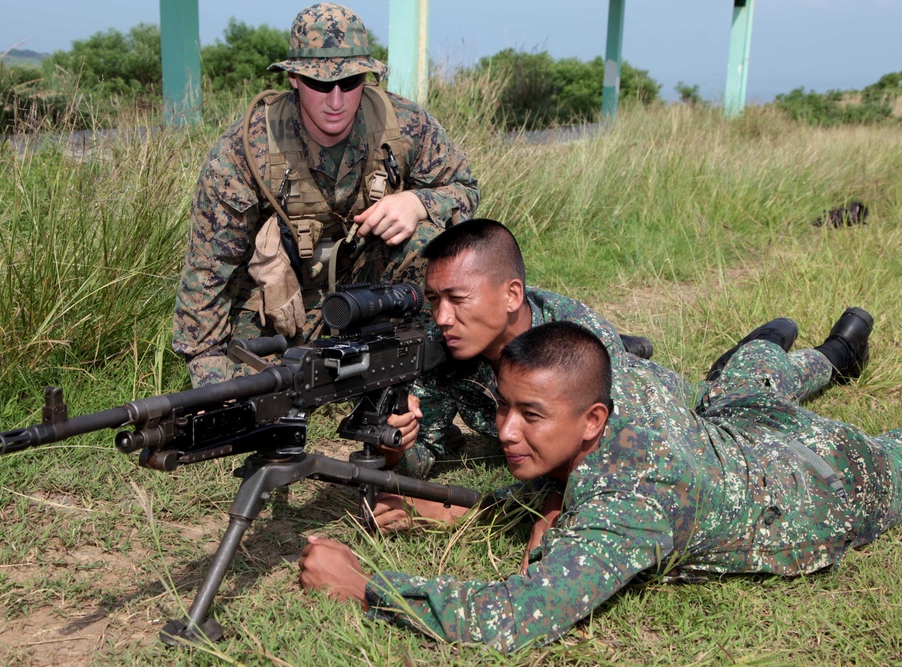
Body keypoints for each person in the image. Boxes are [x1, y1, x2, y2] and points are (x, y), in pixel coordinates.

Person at [298, 310, 902, 653]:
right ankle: (802, 348)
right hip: (738, 429)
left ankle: (825, 354)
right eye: (504, 407)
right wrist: (437, 508)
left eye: (529, 416)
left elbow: (513, 616)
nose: (505, 431)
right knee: (744, 378)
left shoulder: (633, 503)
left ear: (594, 422)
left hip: (831, 477)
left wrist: (367, 587)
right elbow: (533, 498)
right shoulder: (595, 428)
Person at [173, 3, 479, 387]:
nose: (336, 101)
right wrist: (207, 374)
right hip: (281, 308)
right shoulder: (245, 148)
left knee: (435, 242)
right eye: (320, 84)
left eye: (350, 82)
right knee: (257, 392)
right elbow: (208, 270)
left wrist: (416, 203)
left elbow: (465, 189)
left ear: (367, 78)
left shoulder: (404, 124)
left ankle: (419, 382)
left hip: (369, 296)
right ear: (294, 80)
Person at [382, 218, 654, 478]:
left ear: (511, 295)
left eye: (457, 298)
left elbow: (623, 447)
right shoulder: (442, 344)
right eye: (434, 299)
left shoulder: (584, 337)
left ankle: (629, 349)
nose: (442, 317)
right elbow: (424, 450)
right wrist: (394, 445)